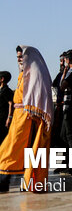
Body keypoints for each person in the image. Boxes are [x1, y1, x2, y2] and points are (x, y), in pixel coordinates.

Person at [0, 46, 53, 192]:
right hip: (18, 116)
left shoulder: (36, 74)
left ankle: (5, 181)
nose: (18, 59)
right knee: (12, 148)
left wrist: (34, 112)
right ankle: (11, 181)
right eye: (17, 56)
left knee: (11, 149)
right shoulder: (23, 74)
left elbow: (40, 97)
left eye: (21, 56)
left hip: (28, 117)